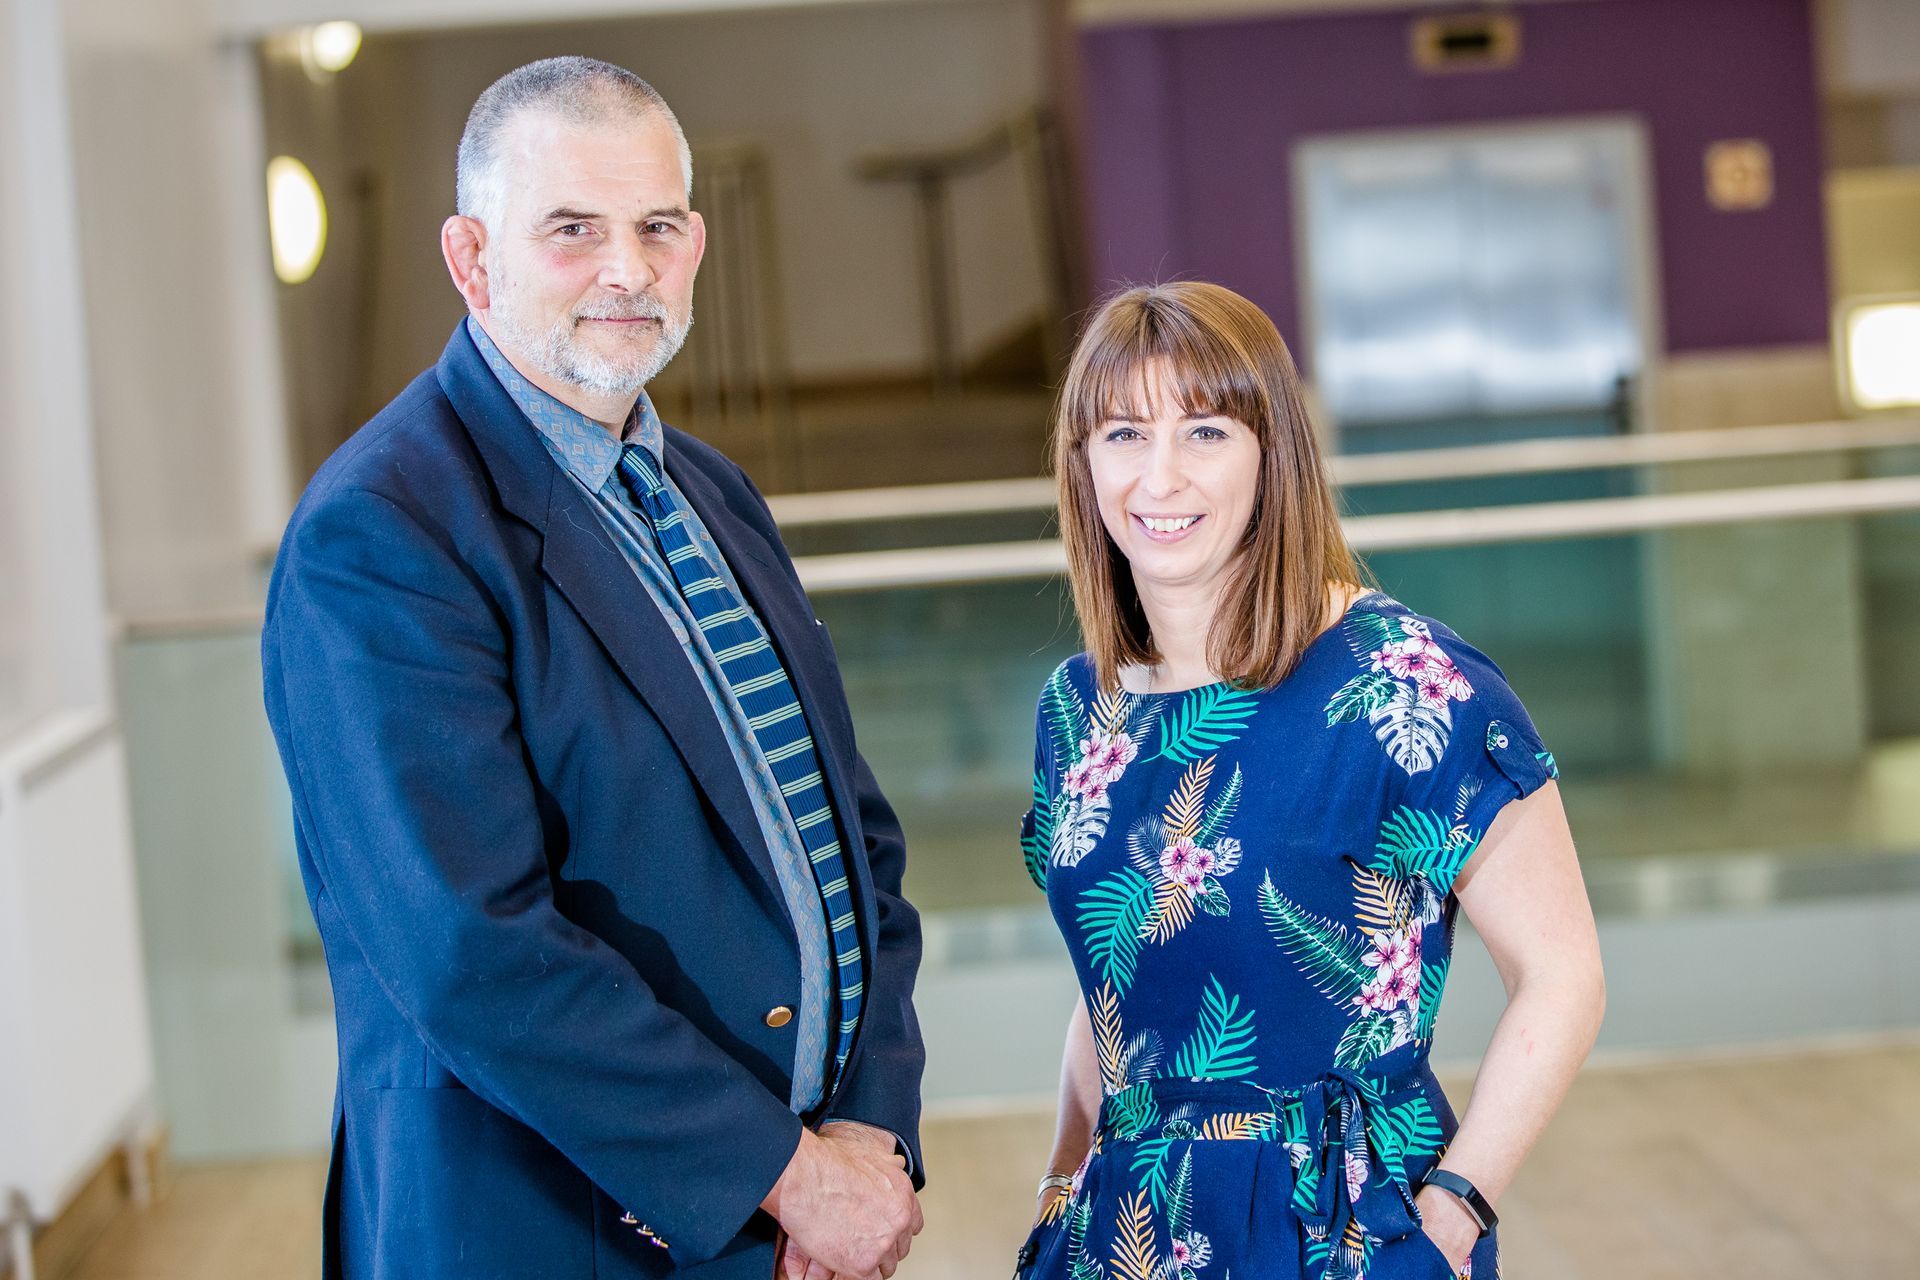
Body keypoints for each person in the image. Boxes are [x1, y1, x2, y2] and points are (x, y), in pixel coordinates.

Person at [262, 57, 924, 1280]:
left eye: (656, 226)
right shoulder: (384, 530)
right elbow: (473, 950)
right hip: (547, 1233)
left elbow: (852, 842)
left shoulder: (708, 492)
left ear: (696, 243)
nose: (627, 269)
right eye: (571, 230)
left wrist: (868, 1126)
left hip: (780, 1225)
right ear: (472, 258)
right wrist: (789, 1175)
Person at [1014, 282, 1605, 1280]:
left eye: (1204, 431)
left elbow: (1564, 973)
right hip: (1129, 1233)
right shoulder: (1081, 710)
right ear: (1082, 464)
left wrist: (1453, 1209)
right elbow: (1116, 981)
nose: (1159, 477)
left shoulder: (1402, 680)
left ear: (1270, 452)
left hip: (1346, 1227)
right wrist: (1061, 1181)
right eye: (1122, 434)